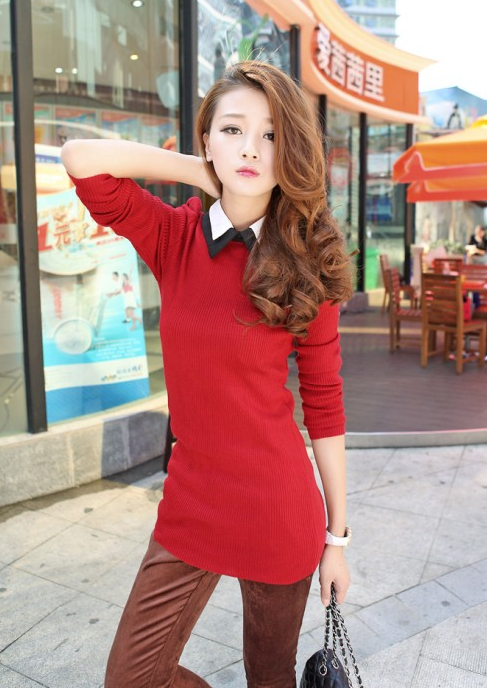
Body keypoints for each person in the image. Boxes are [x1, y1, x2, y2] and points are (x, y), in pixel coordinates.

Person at [61, 61, 353, 688]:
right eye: (233, 129)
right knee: (131, 678)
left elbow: (325, 404)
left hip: (278, 509)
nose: (251, 149)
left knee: (270, 677)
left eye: (271, 135)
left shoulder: (310, 262)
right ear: (207, 139)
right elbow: (80, 159)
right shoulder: (174, 236)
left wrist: (338, 540)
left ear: (291, 150)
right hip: (191, 501)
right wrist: (199, 172)